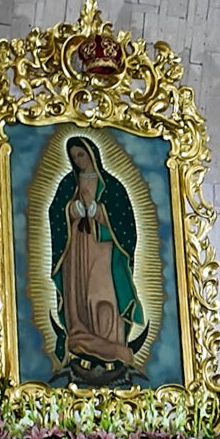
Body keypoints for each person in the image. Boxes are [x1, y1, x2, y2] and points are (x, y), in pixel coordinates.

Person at [47, 136, 147, 384]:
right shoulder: (68, 184)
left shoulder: (112, 186)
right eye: (74, 157)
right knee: (79, 297)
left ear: (92, 154)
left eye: (81, 154)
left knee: (103, 297)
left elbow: (126, 223)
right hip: (76, 251)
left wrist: (101, 213)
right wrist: (71, 211)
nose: (78, 160)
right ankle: (82, 343)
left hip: (103, 249)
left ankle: (112, 345)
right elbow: (55, 211)